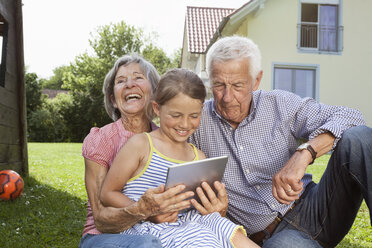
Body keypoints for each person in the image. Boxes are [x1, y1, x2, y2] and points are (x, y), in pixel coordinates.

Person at [188, 36, 372, 248]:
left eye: (238, 85)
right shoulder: (196, 121)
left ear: (256, 80)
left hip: (317, 206)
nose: (227, 97)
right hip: (276, 238)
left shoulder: (279, 104)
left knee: (359, 139)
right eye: (219, 85)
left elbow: (352, 117)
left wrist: (305, 153)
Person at [100, 68, 259, 248]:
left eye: (194, 116)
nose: (185, 124)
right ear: (157, 108)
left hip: (189, 222)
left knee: (229, 231)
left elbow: (202, 207)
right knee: (201, 241)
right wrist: (147, 211)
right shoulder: (141, 145)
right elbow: (107, 193)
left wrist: (215, 206)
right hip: (148, 227)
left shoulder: (198, 156)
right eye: (176, 115)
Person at [80, 54, 183, 248]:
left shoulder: (168, 139)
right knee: (148, 244)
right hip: (102, 237)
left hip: (160, 232)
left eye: (138, 77)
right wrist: (144, 211)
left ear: (154, 95)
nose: (129, 84)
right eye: (121, 81)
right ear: (113, 100)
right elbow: (101, 219)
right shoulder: (100, 140)